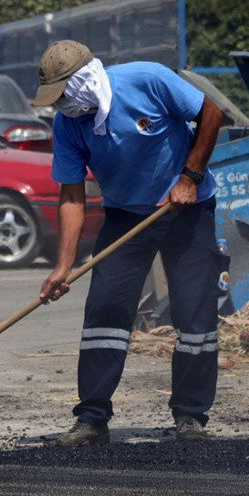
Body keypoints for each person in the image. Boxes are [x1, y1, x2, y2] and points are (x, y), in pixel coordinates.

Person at [33, 40, 223, 445]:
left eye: (63, 95)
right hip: (124, 216)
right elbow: (71, 196)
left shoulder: (148, 80)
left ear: (84, 80)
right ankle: (92, 418)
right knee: (104, 309)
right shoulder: (68, 124)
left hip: (187, 209)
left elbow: (211, 113)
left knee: (195, 313)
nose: (60, 105)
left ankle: (191, 416)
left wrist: (188, 178)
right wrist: (63, 266)